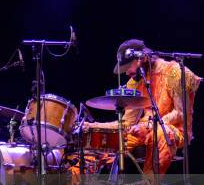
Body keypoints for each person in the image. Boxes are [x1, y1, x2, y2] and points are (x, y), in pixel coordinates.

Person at [85, 39, 201, 175]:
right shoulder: (135, 81)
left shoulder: (174, 72)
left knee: (160, 134)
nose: (127, 73)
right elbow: (127, 123)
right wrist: (93, 126)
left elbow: (181, 113)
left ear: (142, 58)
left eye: (128, 66)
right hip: (144, 129)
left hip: (174, 130)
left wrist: (149, 126)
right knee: (111, 141)